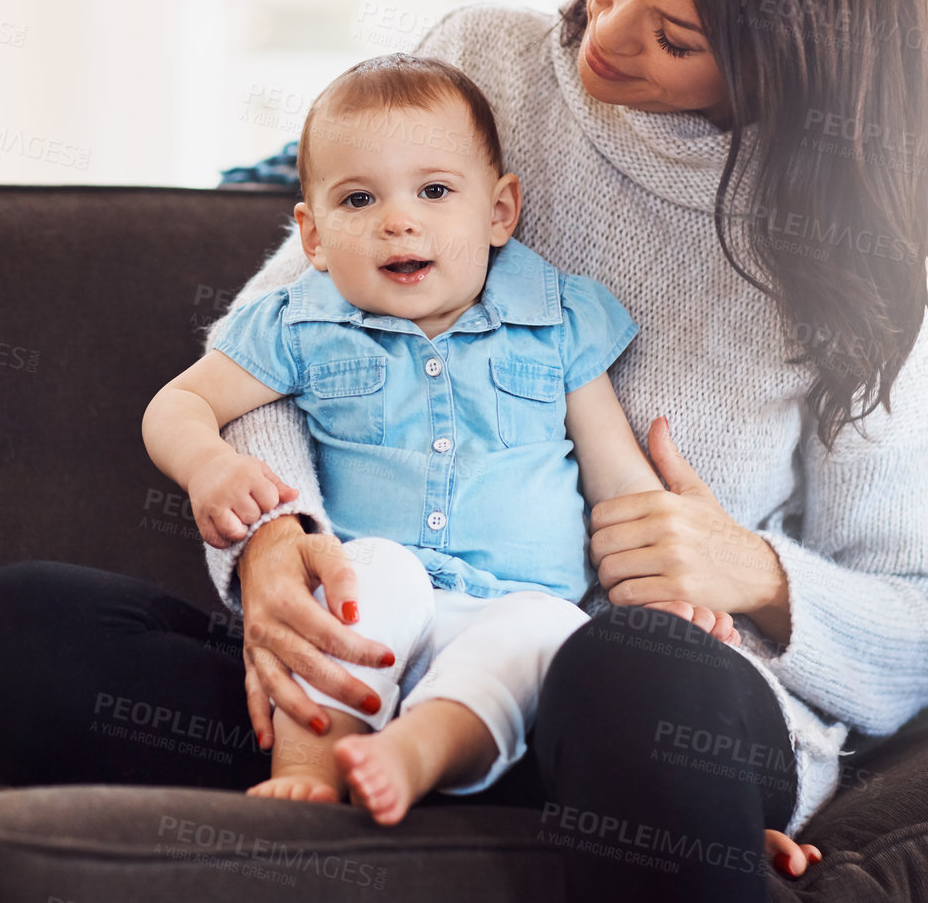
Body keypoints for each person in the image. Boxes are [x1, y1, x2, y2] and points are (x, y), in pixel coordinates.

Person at [0, 0, 928, 901]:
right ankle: (527, 796)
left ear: (795, 61)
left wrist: (754, 573)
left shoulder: (871, 276)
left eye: (675, 35)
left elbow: (922, 616)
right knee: (22, 633)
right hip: (394, 643)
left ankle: (611, 791)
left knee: (632, 684)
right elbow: (281, 339)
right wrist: (277, 541)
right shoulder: (482, 61)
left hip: (643, 690)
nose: (607, 33)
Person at [142, 54, 804, 849]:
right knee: (364, 574)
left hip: (519, 607)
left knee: (542, 629)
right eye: (359, 198)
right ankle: (310, 775)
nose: (399, 220)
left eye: (434, 191)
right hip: (385, 601)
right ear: (312, 236)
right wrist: (208, 465)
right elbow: (178, 403)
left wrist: (666, 588)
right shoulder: (298, 322)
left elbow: (620, 480)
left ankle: (413, 756)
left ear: (500, 211)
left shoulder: (556, 321)